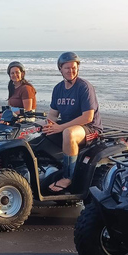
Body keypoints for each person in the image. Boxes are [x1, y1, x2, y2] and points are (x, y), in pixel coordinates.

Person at [43, 52, 102, 193]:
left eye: (73, 68)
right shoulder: (58, 89)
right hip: (67, 125)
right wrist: (48, 125)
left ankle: (68, 177)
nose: (71, 71)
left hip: (89, 128)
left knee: (68, 133)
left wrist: (60, 127)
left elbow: (87, 117)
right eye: (67, 68)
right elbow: (52, 113)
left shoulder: (84, 87)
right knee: (36, 129)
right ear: (60, 69)